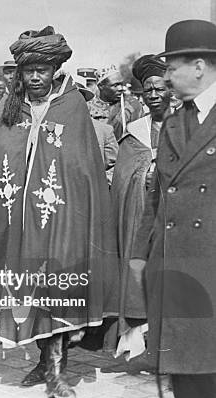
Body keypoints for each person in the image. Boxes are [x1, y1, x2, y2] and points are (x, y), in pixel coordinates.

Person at [0, 26, 118, 398]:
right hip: (14, 216)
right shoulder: (8, 107)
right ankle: (41, 359)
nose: (35, 77)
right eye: (28, 70)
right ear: (19, 72)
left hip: (59, 216)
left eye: (42, 70)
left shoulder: (73, 106)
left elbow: (81, 167)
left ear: (54, 70)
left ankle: (56, 369)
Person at [131, 20, 216, 398]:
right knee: (189, 389)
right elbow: (156, 200)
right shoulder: (173, 123)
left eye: (173, 66)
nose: (165, 77)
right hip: (177, 280)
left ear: (199, 66)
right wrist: (139, 262)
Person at [109, 55, 171, 361]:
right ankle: (140, 342)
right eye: (148, 90)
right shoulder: (134, 131)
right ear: (142, 95)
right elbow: (123, 178)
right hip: (141, 217)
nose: (155, 95)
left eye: (160, 88)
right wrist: (144, 173)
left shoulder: (190, 124)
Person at [76, 78, 118, 184]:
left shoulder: (103, 131)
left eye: (77, 98)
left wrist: (99, 183)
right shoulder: (49, 129)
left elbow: (117, 167)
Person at [89, 65, 143, 140]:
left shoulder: (132, 105)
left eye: (121, 84)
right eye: (115, 85)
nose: (121, 88)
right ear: (101, 86)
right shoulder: (88, 108)